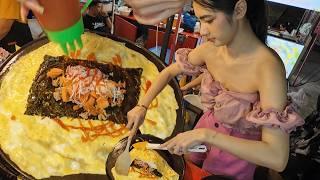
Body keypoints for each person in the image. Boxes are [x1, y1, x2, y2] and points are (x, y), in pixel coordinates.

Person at [125, 0, 304, 180]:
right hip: (200, 137)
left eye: (208, 20)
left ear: (240, 9)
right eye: (200, 20)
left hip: (234, 161)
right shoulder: (211, 50)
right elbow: (170, 71)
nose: (202, 30)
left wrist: (206, 135)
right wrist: (142, 106)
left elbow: (277, 158)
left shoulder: (268, 68)